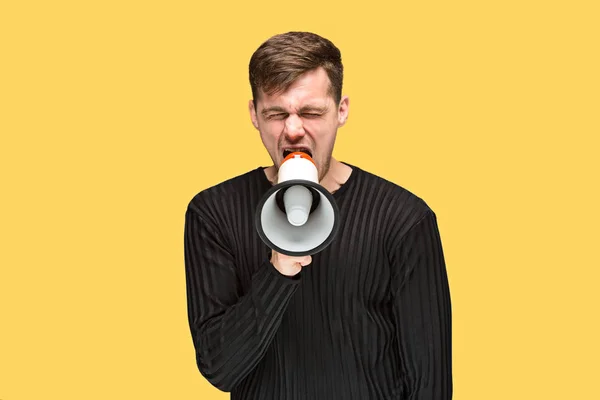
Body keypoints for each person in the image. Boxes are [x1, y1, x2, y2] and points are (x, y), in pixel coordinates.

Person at [184, 31, 452, 399]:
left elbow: (430, 383)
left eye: (311, 112)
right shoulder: (213, 213)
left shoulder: (403, 219)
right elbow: (219, 368)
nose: (293, 131)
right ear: (254, 116)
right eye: (276, 114)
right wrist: (278, 272)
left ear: (341, 111)